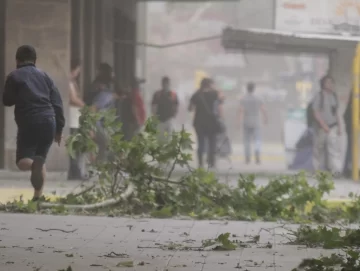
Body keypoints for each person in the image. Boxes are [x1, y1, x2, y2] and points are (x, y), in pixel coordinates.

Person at [2, 45, 65, 201]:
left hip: (29, 121)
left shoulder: (14, 76)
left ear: (17, 60)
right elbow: (57, 103)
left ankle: (33, 167)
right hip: (49, 121)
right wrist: (59, 129)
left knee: (23, 161)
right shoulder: (46, 76)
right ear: (35, 61)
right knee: (40, 158)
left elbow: (7, 101)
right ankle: (38, 198)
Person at [189, 78, 222, 169]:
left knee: (201, 143)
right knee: (212, 143)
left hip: (199, 123)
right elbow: (220, 102)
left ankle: (200, 164)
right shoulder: (214, 93)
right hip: (211, 122)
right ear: (209, 84)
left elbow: (190, 108)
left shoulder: (196, 94)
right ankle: (212, 163)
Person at [312, 75, 341, 172]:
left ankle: (335, 170)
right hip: (321, 127)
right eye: (328, 82)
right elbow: (316, 112)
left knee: (333, 148)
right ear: (323, 84)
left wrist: (339, 126)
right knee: (318, 149)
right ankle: (317, 169)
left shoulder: (334, 96)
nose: (331, 84)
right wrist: (323, 125)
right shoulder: (319, 96)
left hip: (332, 126)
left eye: (332, 82)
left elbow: (336, 113)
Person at [238, 82, 267, 164]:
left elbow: (241, 110)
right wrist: (265, 118)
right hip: (256, 121)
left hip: (246, 122)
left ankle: (247, 157)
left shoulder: (243, 98)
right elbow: (263, 109)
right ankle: (257, 154)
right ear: (254, 88)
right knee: (257, 139)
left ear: (247, 88)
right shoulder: (258, 98)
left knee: (247, 140)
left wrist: (238, 122)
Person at [68, 58, 86, 180]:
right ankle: (74, 172)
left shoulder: (73, 83)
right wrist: (85, 106)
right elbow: (73, 99)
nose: (77, 73)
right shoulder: (69, 83)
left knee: (76, 145)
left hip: (76, 116)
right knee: (74, 145)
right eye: (77, 71)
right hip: (72, 117)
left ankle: (75, 171)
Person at [151, 76, 179, 142]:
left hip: (169, 119)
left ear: (169, 84)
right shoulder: (157, 94)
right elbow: (154, 106)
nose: (165, 85)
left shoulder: (173, 94)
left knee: (168, 138)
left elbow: (176, 106)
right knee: (160, 138)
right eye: (164, 83)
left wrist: (174, 115)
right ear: (162, 84)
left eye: (167, 83)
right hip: (159, 119)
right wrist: (154, 116)